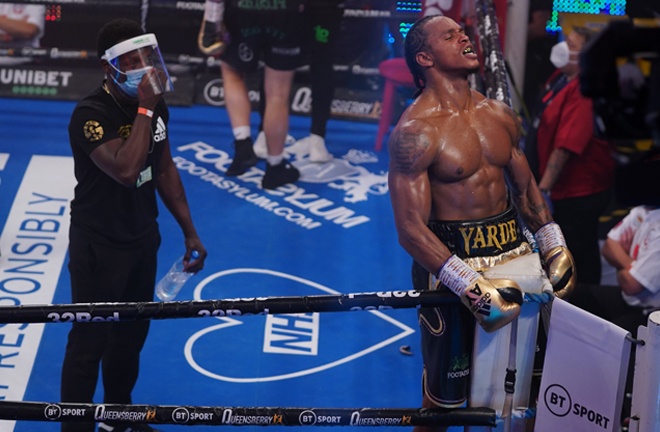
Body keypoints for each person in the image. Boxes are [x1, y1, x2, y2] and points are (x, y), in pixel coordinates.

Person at [387, 15, 576, 431]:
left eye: (464, 32)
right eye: (449, 35)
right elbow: (411, 229)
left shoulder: (500, 114)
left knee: (530, 387)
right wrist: (469, 286)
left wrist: (552, 243)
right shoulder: (415, 132)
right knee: (443, 400)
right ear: (425, 57)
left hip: (517, 257)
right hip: (453, 268)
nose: (465, 38)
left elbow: (525, 191)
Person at [62, 18, 207, 432]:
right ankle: (75, 428)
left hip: (143, 237)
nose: (145, 67)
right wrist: (145, 107)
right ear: (110, 68)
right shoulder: (90, 114)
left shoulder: (154, 105)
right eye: (133, 60)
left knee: (130, 337)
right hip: (99, 245)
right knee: (89, 343)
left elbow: (162, 169)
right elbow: (126, 170)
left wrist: (189, 230)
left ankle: (118, 418)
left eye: (148, 57)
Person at [524, 26, 616, 286]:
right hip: (561, 186)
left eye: (573, 46)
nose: (564, 49)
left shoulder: (586, 88)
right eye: (567, 42)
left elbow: (566, 146)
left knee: (578, 249)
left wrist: (541, 192)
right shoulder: (560, 77)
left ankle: (585, 301)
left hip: (579, 189)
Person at [197, 0, 304, 189]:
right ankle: (275, 166)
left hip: (243, 9)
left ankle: (242, 144)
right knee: (278, 92)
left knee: (232, 74)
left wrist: (212, 20)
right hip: (285, 11)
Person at [570, 204, 660, 426]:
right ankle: (559, 375)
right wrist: (631, 268)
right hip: (629, 299)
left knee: (612, 337)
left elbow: (632, 284)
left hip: (650, 314)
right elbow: (609, 247)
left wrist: (626, 271)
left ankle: (622, 414)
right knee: (575, 296)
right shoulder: (644, 213)